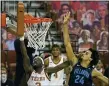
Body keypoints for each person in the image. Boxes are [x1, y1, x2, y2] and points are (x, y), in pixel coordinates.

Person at [62, 12, 109, 86]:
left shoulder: (93, 71)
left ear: (91, 59)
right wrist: (65, 25)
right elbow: (67, 44)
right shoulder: (75, 62)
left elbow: (106, 80)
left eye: (86, 53)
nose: (83, 53)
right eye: (84, 52)